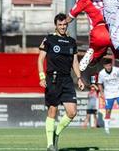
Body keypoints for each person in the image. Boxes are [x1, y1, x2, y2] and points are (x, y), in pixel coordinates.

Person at [38, 13, 85, 151]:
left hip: (67, 79)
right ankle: (50, 145)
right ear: (56, 25)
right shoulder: (49, 39)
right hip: (52, 78)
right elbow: (40, 59)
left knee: (72, 112)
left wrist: (79, 78)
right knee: (53, 110)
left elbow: (75, 62)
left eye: (65, 24)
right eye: (60, 25)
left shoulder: (72, 41)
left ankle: (56, 133)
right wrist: (41, 77)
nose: (63, 27)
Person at [67, 0, 115, 72]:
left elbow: (70, 17)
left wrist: (62, 26)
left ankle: (92, 56)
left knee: (97, 53)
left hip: (98, 31)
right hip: (113, 30)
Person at [97, 58, 119, 135]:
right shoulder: (101, 73)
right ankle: (107, 129)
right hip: (108, 94)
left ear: (111, 65)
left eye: (110, 65)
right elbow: (99, 84)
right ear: (104, 66)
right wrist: (101, 93)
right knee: (108, 111)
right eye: (107, 66)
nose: (108, 67)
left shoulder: (117, 70)